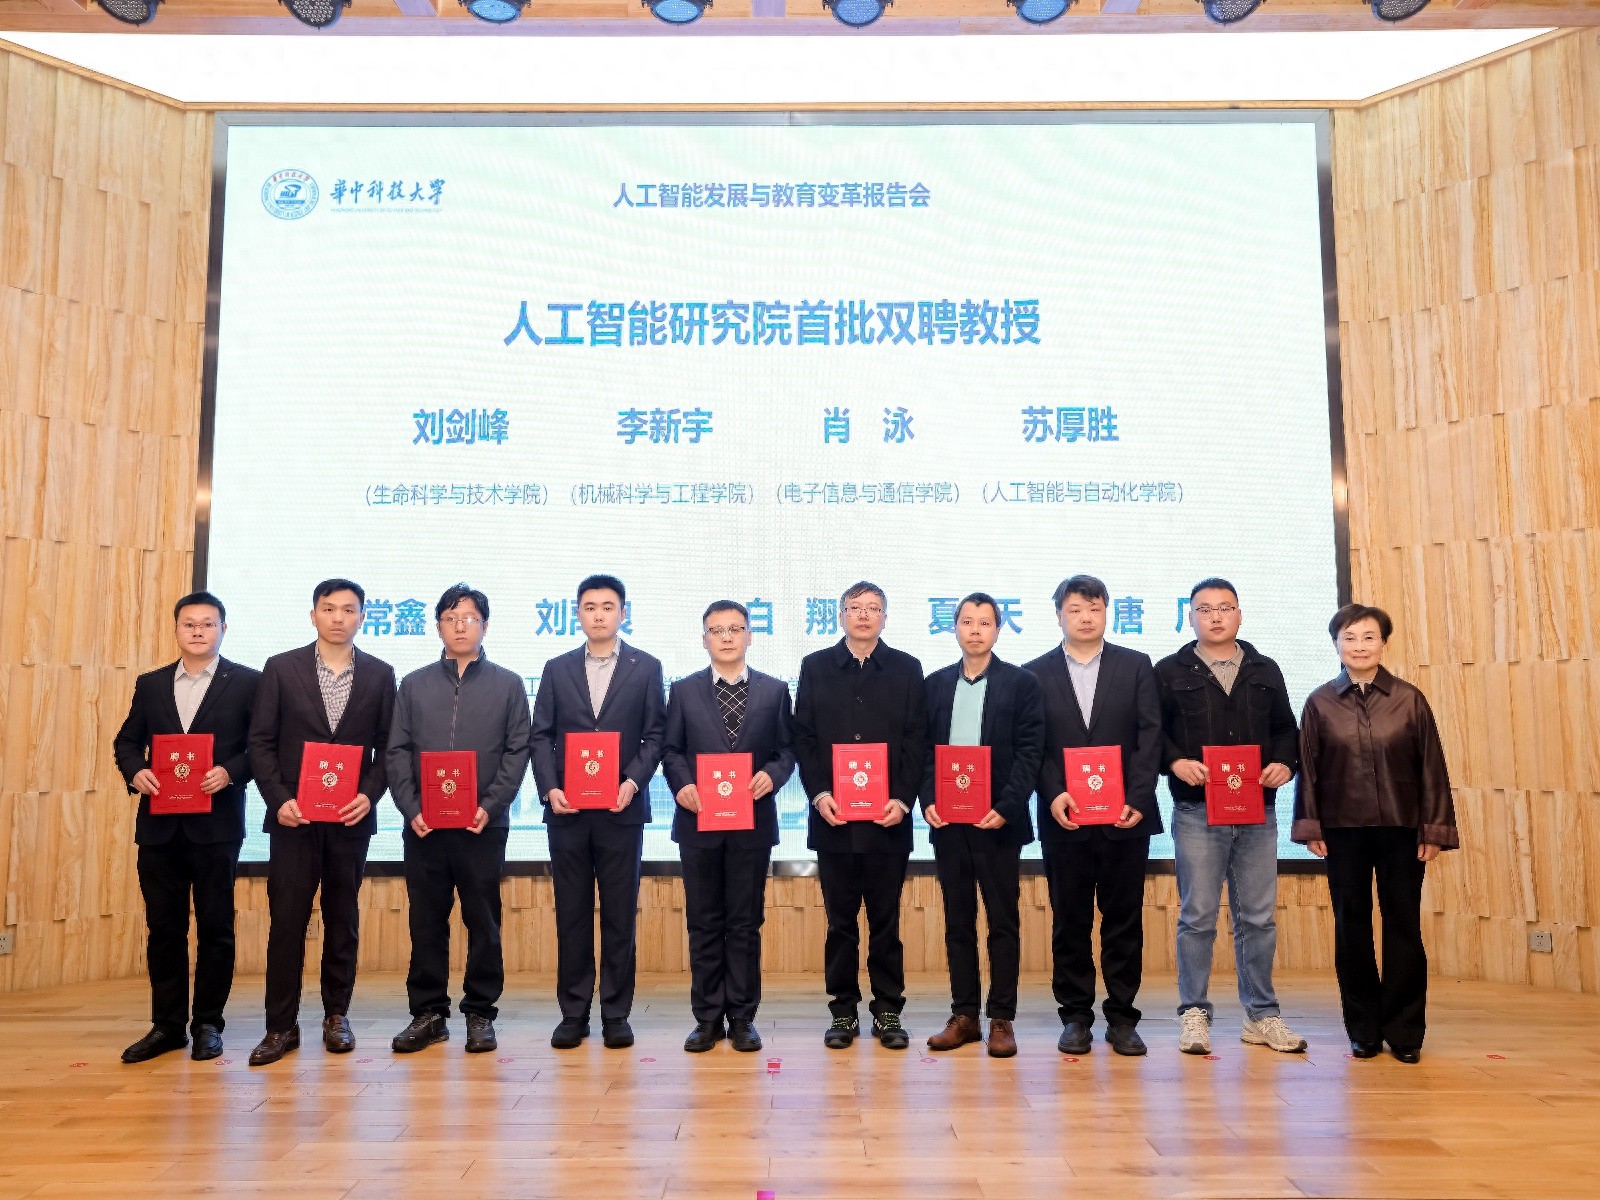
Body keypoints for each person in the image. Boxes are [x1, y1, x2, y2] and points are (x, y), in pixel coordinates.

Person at [1293, 603, 1457, 1064]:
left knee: (1403, 924)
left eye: (1368, 637)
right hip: (1341, 831)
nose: (1359, 646)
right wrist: (1310, 825)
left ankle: (1405, 1032)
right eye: (1349, 638)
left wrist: (1433, 829)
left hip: (1402, 829)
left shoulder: (1409, 699)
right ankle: (1362, 1029)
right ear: (1336, 645)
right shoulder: (1319, 702)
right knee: (1352, 927)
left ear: (1383, 643)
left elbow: (1432, 769)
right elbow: (1309, 770)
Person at [245, 578, 396, 1066]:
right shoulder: (280, 667)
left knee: (342, 918)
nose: (337, 617)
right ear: (313, 614)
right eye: (328, 608)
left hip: (349, 819)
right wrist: (278, 799)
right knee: (287, 921)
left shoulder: (380, 674)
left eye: (348, 610)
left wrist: (369, 795)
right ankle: (280, 1026)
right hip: (294, 818)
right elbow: (260, 742)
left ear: (362, 618)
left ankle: (337, 1016)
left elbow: (388, 748)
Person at [1155, 578, 1305, 1056]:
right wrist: (1174, 761)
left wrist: (1285, 763)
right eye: (1205, 609)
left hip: (1257, 810)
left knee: (1258, 918)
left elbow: (1286, 728)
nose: (1215, 616)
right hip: (1196, 811)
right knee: (1197, 916)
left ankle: (1261, 1014)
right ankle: (1194, 1012)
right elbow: (1153, 733)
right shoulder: (1168, 670)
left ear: (1239, 614)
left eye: (1225, 607)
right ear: (1190, 617)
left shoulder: (1265, 668)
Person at [112, 591, 260, 1064]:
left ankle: (208, 1023)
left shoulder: (248, 682)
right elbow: (127, 741)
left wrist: (231, 771)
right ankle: (168, 1025)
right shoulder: (151, 684)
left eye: (208, 623)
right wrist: (136, 770)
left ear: (223, 629)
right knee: (164, 929)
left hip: (216, 827)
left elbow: (262, 746)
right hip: (160, 828)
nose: (198, 631)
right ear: (176, 629)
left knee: (216, 928)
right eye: (189, 623)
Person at [386, 583, 531, 1055]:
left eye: (469, 618)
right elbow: (396, 750)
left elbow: (517, 751)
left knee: (482, 919)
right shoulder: (414, 684)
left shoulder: (508, 684)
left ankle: (480, 1012)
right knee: (426, 920)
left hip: (482, 825)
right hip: (424, 826)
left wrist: (491, 805)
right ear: (438, 627)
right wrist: (411, 808)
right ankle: (428, 1013)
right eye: (450, 618)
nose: (460, 626)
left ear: (484, 625)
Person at [1024, 575, 1161, 1057]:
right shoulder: (1033, 673)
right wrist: (1053, 792)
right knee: (1070, 921)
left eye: (1095, 608)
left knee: (1124, 920)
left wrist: (1137, 797)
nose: (1086, 617)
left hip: (1125, 817)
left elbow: (1150, 737)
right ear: (1058, 615)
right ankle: (1076, 1016)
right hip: (1065, 818)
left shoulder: (1136, 665)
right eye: (1076, 609)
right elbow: (1034, 744)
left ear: (1107, 613)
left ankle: (1122, 1018)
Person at [530, 575, 665, 1050]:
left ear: (623, 613)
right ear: (578, 614)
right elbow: (540, 735)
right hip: (567, 810)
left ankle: (615, 1013)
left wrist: (632, 781)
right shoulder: (556, 668)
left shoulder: (646, 667)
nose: (599, 614)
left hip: (621, 809)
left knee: (619, 915)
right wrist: (550, 788)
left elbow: (655, 735)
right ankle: (573, 1013)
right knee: (571, 914)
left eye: (608, 606)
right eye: (590, 607)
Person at [793, 581, 928, 1050]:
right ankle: (843, 1011)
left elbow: (917, 740)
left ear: (885, 617)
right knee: (840, 923)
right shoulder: (815, 666)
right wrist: (819, 794)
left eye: (873, 608)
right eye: (855, 607)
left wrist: (904, 799)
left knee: (887, 923)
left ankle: (888, 1011)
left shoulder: (907, 668)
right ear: (841, 615)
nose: (864, 615)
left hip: (888, 820)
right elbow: (804, 737)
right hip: (833, 820)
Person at [661, 601, 795, 1054]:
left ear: (749, 636)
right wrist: (681, 785)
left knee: (744, 922)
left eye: (735, 629)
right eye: (716, 630)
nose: (726, 637)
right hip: (698, 822)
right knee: (703, 922)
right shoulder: (683, 691)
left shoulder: (775, 691)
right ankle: (707, 1019)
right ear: (704, 639)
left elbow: (787, 751)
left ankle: (741, 1017)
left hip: (751, 824)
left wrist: (772, 776)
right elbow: (671, 750)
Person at [920, 593, 1044, 1058]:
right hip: (949, 822)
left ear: (997, 629)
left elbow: (1031, 751)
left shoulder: (1022, 683)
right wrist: (928, 799)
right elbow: (922, 751)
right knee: (958, 921)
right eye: (967, 622)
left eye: (985, 622)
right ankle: (965, 1016)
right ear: (954, 627)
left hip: (998, 822)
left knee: (1002, 921)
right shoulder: (934, 685)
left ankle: (1002, 1018)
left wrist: (1008, 806)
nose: (975, 630)